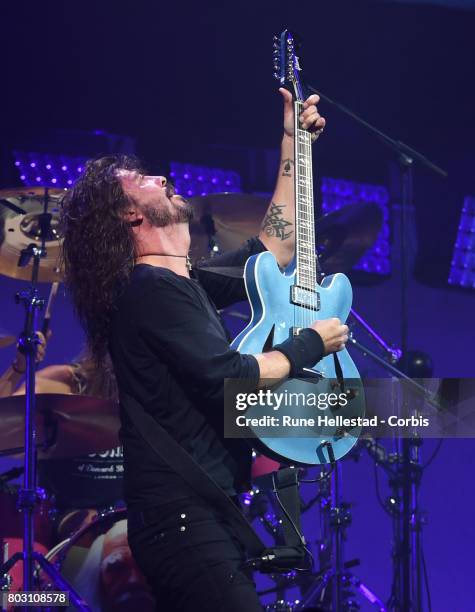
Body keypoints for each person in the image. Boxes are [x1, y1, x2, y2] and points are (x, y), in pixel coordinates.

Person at [60, 89, 349, 612]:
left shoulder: (182, 282)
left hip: (201, 515)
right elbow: (229, 376)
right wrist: (312, 342)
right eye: (144, 181)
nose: (161, 179)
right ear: (127, 217)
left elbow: (275, 246)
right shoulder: (147, 288)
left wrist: (292, 143)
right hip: (182, 521)